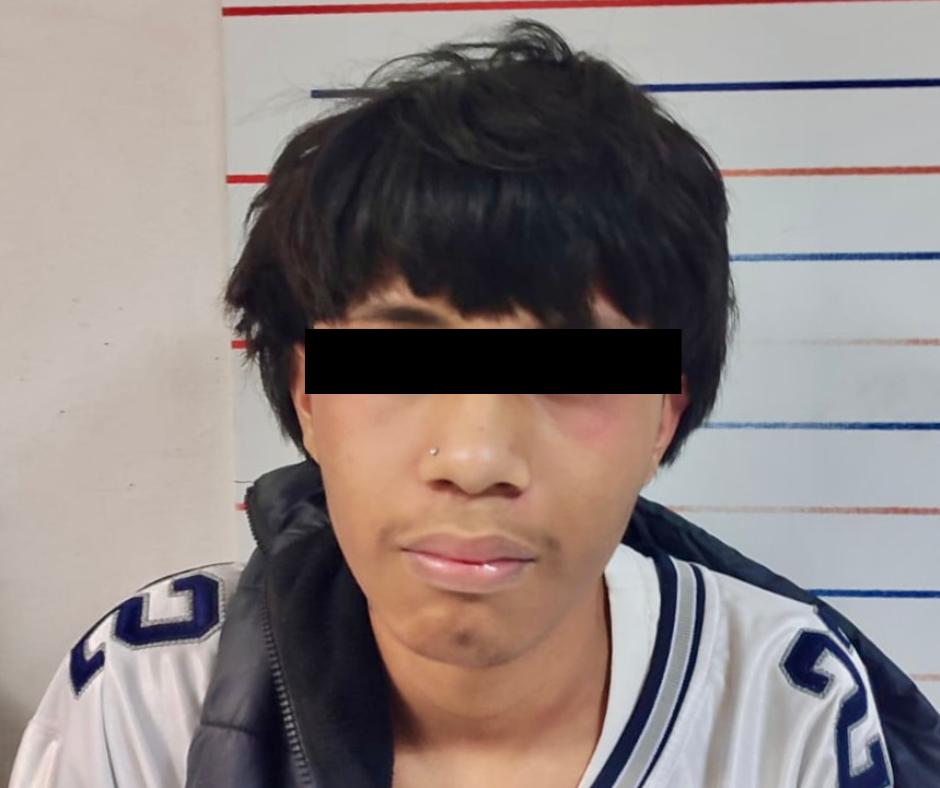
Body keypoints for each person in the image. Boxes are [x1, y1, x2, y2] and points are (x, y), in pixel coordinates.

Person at [9, 18, 939, 788]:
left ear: (663, 414)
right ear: (305, 390)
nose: (475, 458)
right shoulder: (152, 692)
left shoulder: (783, 702)